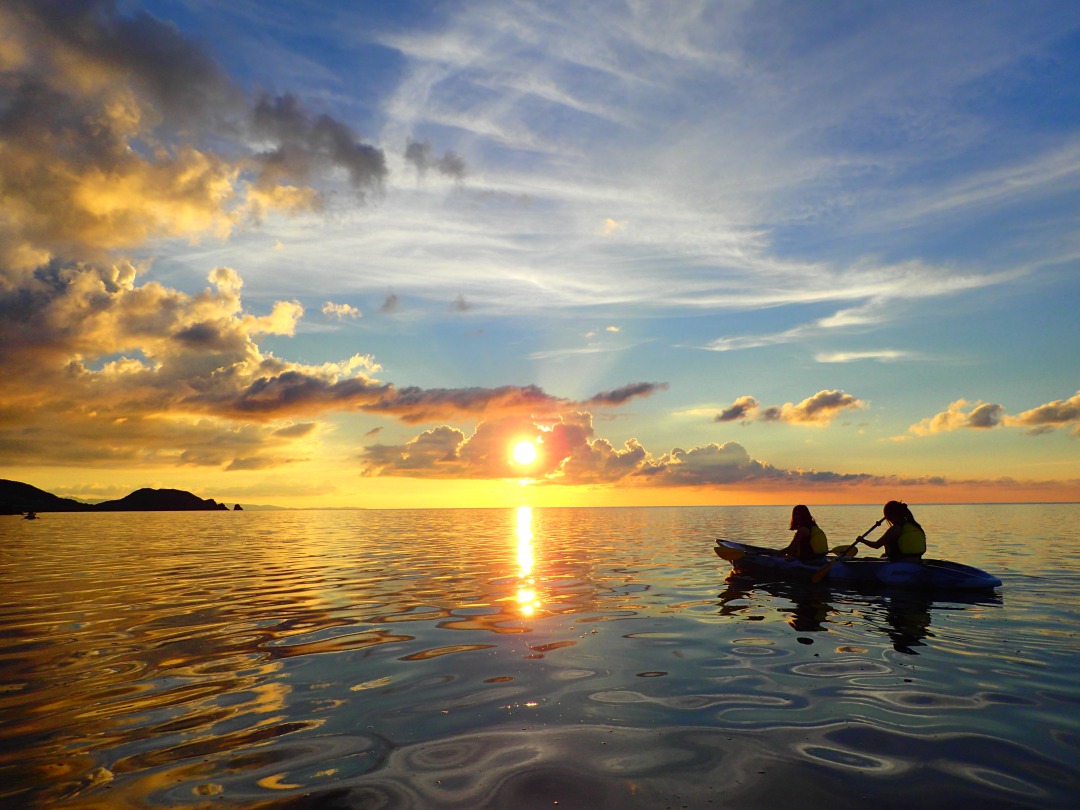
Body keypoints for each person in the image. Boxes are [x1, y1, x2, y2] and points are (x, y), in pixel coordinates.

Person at [860, 501, 925, 561]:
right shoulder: (916, 526)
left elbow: (877, 545)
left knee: (866, 559)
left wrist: (862, 540)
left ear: (891, 516)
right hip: (917, 561)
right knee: (884, 555)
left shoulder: (895, 529)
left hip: (898, 562)